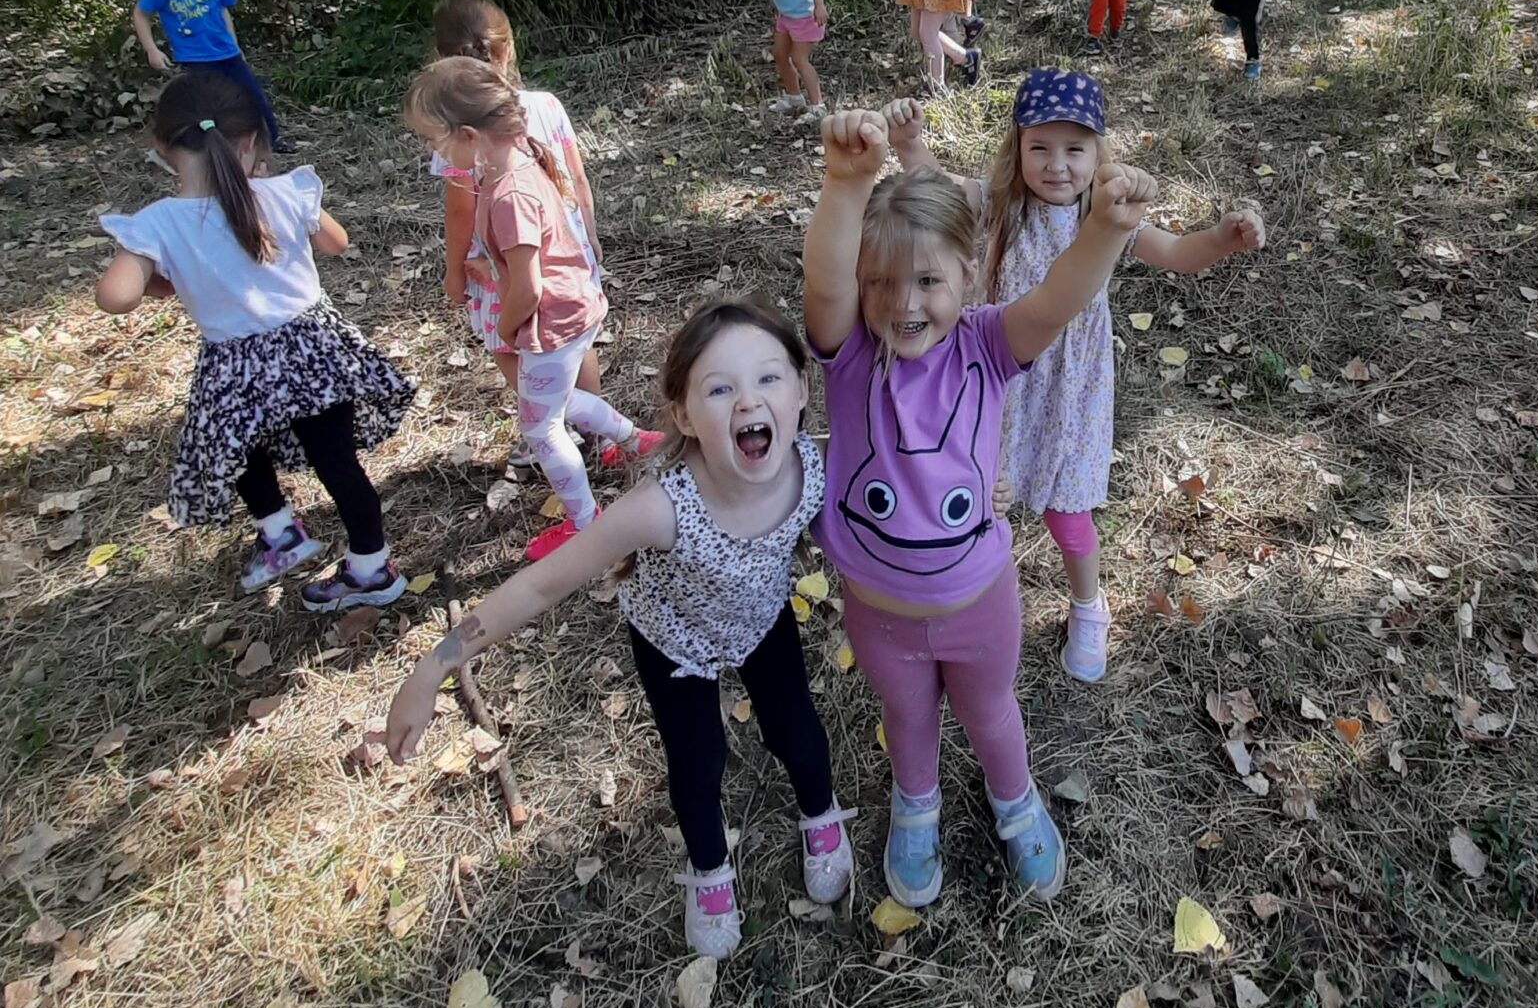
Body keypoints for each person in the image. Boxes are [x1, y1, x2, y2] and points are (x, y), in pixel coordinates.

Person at [384, 300, 852, 958]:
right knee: (697, 763)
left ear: (802, 390)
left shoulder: (819, 465)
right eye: (720, 389)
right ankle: (710, 869)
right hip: (673, 642)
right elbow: (541, 584)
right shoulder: (659, 509)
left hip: (760, 620)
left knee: (796, 730)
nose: (749, 400)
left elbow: (909, 482)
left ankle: (821, 815)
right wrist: (433, 666)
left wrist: (988, 491)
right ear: (684, 416)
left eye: (769, 378)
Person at [803, 108, 1155, 907]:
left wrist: (1104, 228)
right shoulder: (852, 353)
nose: (903, 302)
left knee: (991, 713)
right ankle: (916, 805)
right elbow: (824, 282)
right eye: (880, 282)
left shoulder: (989, 344)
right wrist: (845, 183)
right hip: (879, 614)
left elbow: (1057, 301)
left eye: (928, 281)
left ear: (968, 277)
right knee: (907, 717)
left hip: (980, 604)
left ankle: (1015, 801)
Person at [889, 71, 1263, 680]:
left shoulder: (1107, 215)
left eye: (1074, 149)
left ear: (1098, 152)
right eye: (1039, 147)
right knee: (981, 497)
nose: (1056, 165)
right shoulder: (999, 205)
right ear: (1017, 146)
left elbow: (1177, 253)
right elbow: (937, 188)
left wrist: (1221, 238)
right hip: (997, 381)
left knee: (1069, 514)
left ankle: (1089, 607)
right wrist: (909, 145)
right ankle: (975, 604)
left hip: (1071, 391)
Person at [94, 68, 413, 609]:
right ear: (249, 142)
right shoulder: (282, 191)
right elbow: (337, 243)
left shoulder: (159, 223)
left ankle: (280, 532)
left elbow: (116, 296)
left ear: (162, 147)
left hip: (235, 364)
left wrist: (157, 279)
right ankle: (371, 567)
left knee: (237, 448)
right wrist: (269, 187)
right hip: (313, 350)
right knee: (338, 464)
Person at [404, 60, 646, 562]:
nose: (433, 153)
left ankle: (585, 525)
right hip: (574, 306)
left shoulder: (507, 192)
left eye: (433, 141)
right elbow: (531, 257)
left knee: (541, 428)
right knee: (557, 400)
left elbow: (530, 286)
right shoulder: (516, 163)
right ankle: (634, 439)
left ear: (468, 136)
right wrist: (492, 271)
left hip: (551, 322)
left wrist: (508, 325)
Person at [425, 0, 644, 462]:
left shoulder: (460, 134)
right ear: (507, 49)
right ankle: (595, 429)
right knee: (574, 342)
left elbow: (461, 211)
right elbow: (576, 176)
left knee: (511, 346)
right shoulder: (545, 105)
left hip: (507, 266)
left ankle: (546, 420)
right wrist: (589, 233)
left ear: (441, 59)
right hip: (567, 250)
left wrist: (454, 269)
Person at [133, 0, 280, 148]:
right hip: (195, 58)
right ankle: (213, 150)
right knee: (208, 107)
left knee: (252, 96)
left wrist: (235, 45)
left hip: (227, 53)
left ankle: (272, 140)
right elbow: (141, 14)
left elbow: (223, 11)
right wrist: (151, 49)